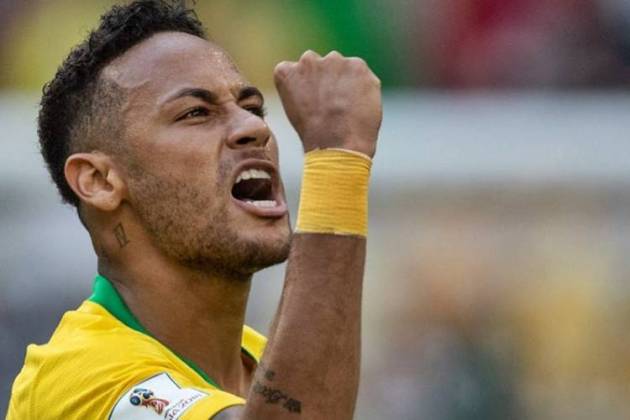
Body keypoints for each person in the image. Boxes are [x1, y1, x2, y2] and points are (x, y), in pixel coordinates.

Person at [7, 1, 381, 419]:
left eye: (252, 107)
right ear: (99, 181)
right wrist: (336, 163)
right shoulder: (79, 375)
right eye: (195, 113)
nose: (255, 128)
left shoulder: (275, 363)